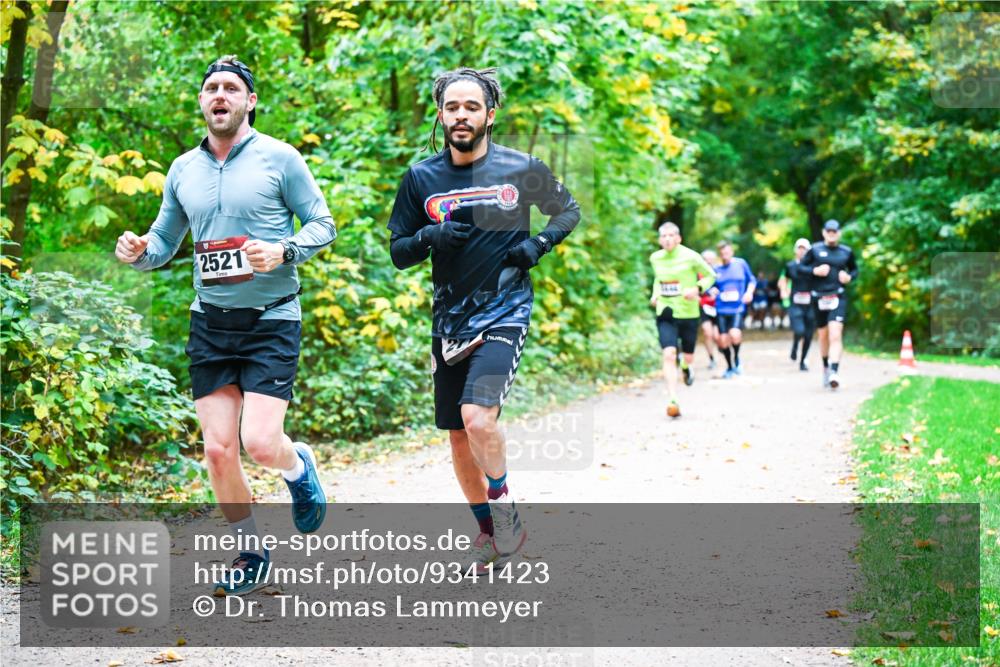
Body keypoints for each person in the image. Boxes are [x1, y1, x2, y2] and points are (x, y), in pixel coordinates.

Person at [114, 56, 336, 595]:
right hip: (210, 323)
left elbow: (323, 224)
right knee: (217, 449)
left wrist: (284, 250)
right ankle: (251, 552)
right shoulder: (182, 169)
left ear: (249, 101)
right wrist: (139, 251)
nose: (220, 95)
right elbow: (164, 242)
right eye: (211, 87)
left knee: (259, 442)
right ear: (201, 101)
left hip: (272, 318)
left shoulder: (280, 158)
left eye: (231, 88)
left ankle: (296, 465)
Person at [386, 67, 580, 573]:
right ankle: (489, 532)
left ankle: (504, 505)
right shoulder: (421, 178)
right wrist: (428, 238)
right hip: (449, 320)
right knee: (457, 433)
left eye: (471, 107)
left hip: (505, 309)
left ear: (490, 115)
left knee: (478, 417)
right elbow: (399, 252)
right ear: (440, 114)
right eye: (452, 107)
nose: (461, 115)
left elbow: (567, 210)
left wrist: (539, 244)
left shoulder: (522, 168)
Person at [648, 223, 716, 418]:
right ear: (660, 240)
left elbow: (711, 276)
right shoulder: (655, 258)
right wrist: (655, 294)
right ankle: (673, 399)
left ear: (679, 238)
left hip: (688, 312)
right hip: (666, 311)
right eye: (664, 236)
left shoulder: (691, 256)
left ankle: (686, 367)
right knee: (669, 354)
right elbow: (659, 279)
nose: (668, 239)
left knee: (688, 357)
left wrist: (697, 289)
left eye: (671, 235)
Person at [800, 220, 859, 389]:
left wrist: (849, 277)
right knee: (823, 335)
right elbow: (800, 268)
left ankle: (834, 371)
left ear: (839, 233)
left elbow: (854, 270)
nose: (832, 234)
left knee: (835, 334)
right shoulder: (815, 250)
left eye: (834, 231)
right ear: (824, 232)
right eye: (829, 231)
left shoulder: (846, 252)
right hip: (819, 297)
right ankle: (826, 367)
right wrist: (814, 271)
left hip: (838, 296)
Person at [712, 240, 756, 378]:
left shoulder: (741, 264)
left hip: (737, 307)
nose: (724, 255)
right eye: (722, 253)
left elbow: (752, 280)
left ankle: (736, 358)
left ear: (731, 252)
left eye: (727, 252)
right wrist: (711, 290)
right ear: (719, 254)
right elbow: (708, 286)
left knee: (735, 334)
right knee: (723, 339)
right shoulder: (715, 269)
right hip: (721, 309)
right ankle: (729, 367)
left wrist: (749, 292)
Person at [778, 238, 816, 371]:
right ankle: (795, 345)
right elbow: (784, 279)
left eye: (804, 248)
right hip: (795, 303)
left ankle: (803, 360)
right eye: (800, 248)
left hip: (811, 304)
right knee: (799, 330)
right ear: (795, 250)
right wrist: (784, 291)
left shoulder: (814, 267)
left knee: (808, 334)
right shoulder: (790, 266)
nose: (802, 251)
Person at [699, 249, 720, 370]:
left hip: (719, 307)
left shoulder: (720, 272)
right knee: (707, 333)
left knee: (717, 336)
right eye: (706, 260)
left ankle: (722, 349)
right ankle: (712, 359)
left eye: (711, 260)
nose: (708, 262)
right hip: (704, 306)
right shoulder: (697, 273)